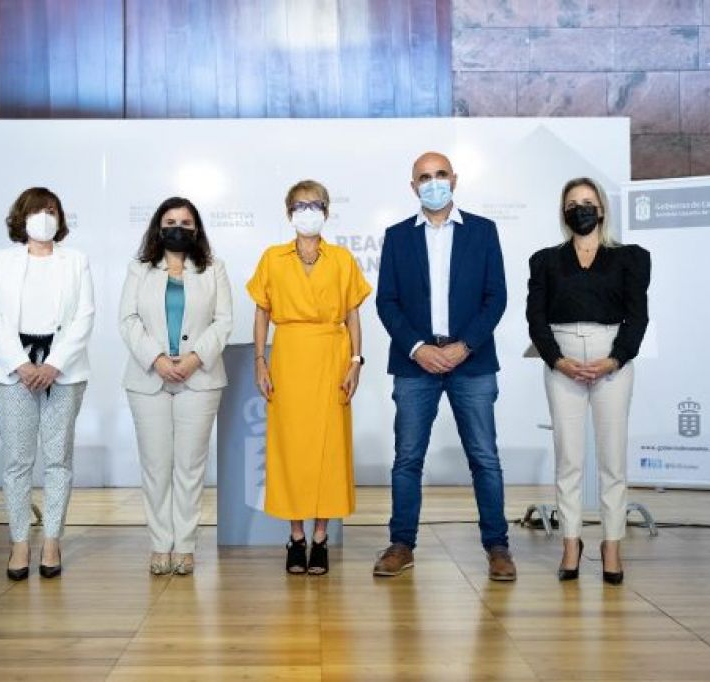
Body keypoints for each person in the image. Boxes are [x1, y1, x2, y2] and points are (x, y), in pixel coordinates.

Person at [374, 152, 515, 581]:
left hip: (472, 362)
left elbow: (496, 297)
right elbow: (387, 301)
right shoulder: (397, 236)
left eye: (439, 175)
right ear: (412, 186)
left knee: (484, 457)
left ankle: (497, 546)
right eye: (424, 177)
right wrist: (418, 347)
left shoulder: (483, 231)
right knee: (407, 459)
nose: (432, 182)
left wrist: (464, 346)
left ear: (454, 179)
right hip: (415, 363)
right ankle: (401, 544)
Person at [527, 177, 650, 584]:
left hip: (611, 357)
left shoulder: (630, 258)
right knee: (568, 458)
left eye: (587, 201)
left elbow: (638, 317)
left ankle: (611, 545)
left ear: (601, 209)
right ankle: (570, 542)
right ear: (563, 212)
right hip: (561, 359)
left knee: (612, 458)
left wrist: (614, 359)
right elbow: (535, 319)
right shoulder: (545, 260)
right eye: (572, 203)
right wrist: (557, 360)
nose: (580, 209)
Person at [246, 179, 371, 576]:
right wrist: (260, 362)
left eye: (315, 205)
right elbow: (262, 312)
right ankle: (296, 537)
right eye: (300, 205)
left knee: (329, 449)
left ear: (327, 212)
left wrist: (355, 361)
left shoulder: (342, 259)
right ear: (289, 213)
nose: (308, 211)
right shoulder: (272, 258)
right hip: (289, 357)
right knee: (291, 449)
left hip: (332, 357)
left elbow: (352, 314)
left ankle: (321, 538)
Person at [0, 186, 94, 580]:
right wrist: (20, 363)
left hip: (64, 370)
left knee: (58, 458)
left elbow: (84, 316)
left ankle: (51, 540)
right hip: (15, 371)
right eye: (35, 211)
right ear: (21, 218)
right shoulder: (3, 260)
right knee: (18, 460)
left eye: (51, 210)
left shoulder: (76, 261)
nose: (43, 217)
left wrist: (54, 364)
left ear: (60, 218)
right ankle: (18, 542)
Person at [119, 197, 232, 576]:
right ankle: (159, 544)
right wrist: (158, 359)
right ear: (158, 226)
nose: (178, 228)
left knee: (189, 466)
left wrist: (194, 359)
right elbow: (128, 320)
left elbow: (223, 321)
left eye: (185, 222)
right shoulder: (139, 269)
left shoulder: (214, 269)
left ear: (196, 229)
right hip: (148, 378)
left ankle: (185, 546)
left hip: (200, 379)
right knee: (156, 466)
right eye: (170, 222)